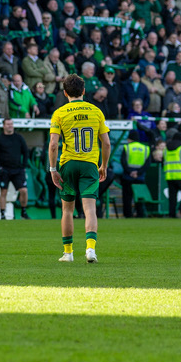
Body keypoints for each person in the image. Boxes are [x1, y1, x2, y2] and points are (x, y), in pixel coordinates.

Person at [48, 74, 110, 263]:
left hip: (68, 164)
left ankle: (68, 253)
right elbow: (106, 143)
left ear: (65, 93)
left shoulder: (59, 113)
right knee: (89, 208)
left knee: (67, 210)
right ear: (84, 91)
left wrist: (52, 169)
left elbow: (53, 144)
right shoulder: (96, 112)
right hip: (90, 164)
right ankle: (90, 249)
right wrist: (103, 166)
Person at [0, 118, 30, 219]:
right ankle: (3, 214)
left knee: (24, 190)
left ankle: (23, 212)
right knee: (3, 192)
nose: (10, 126)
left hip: (18, 170)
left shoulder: (19, 137)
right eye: (8, 124)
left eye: (11, 124)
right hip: (5, 170)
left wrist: (24, 166)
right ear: (3, 126)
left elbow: (25, 152)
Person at [119, 133, 150, 218]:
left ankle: (128, 215)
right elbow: (147, 164)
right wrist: (138, 173)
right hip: (140, 177)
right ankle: (140, 214)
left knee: (127, 197)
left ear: (129, 139)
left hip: (127, 177)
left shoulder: (127, 147)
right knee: (139, 197)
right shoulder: (146, 148)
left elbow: (123, 162)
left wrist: (130, 172)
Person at [161, 136, 181, 218]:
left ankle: (171, 214)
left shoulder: (165, 149)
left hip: (169, 176)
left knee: (172, 197)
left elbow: (162, 163)